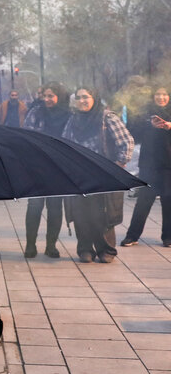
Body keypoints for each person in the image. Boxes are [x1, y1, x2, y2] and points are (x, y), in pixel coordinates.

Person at [62, 87, 134, 263]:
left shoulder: (107, 118)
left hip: (103, 175)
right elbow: (65, 142)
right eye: (78, 97)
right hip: (80, 174)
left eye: (86, 97)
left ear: (94, 98)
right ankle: (85, 249)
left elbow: (127, 142)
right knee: (80, 213)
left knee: (102, 214)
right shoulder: (73, 120)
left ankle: (106, 250)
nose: (82, 101)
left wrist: (119, 165)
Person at [23, 82, 71, 258]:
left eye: (51, 95)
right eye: (45, 96)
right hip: (37, 165)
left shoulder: (68, 115)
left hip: (58, 168)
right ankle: (30, 245)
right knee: (34, 206)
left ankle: (51, 245)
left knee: (55, 207)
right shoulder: (36, 112)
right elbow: (27, 135)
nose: (48, 99)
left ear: (59, 96)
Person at [122, 86, 171, 247]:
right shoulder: (144, 113)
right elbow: (132, 132)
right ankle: (132, 235)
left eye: (164, 94)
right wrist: (149, 124)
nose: (161, 97)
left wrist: (169, 126)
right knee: (144, 200)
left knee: (168, 200)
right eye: (158, 94)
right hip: (149, 164)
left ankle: (168, 237)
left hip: (169, 165)